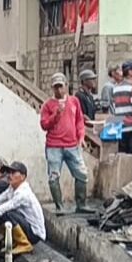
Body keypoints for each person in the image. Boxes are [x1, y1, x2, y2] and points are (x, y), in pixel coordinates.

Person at [41, 73, 90, 213]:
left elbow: (79, 121)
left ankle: (81, 204)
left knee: (82, 173)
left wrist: (81, 137)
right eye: (55, 87)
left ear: (66, 86)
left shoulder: (74, 101)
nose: (58, 90)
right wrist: (55, 115)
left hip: (72, 144)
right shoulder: (48, 105)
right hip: (53, 145)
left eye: (60, 87)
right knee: (54, 176)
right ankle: (59, 206)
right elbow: (44, 125)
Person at [0, 161, 45, 255]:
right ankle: (9, 238)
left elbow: (8, 206)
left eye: (13, 173)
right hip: (25, 224)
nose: (10, 175)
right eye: (9, 173)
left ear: (23, 177)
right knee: (1, 213)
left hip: (34, 233)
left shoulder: (23, 193)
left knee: (7, 213)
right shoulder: (12, 187)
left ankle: (24, 243)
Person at [111, 60, 132, 173]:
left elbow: (115, 110)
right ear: (130, 72)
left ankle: (122, 180)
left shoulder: (115, 88)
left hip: (120, 127)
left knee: (123, 156)